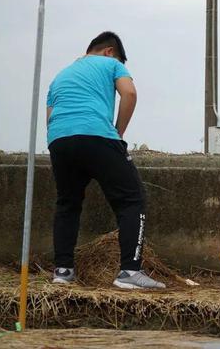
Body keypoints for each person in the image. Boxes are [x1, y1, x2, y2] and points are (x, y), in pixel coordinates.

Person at [46, 31, 165, 289]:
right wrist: (118, 134)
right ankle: (130, 272)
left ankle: (63, 271)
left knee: (68, 203)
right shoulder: (111, 64)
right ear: (110, 51)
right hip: (97, 135)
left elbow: (50, 116)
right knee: (132, 199)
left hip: (59, 140)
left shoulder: (60, 76)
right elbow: (130, 94)